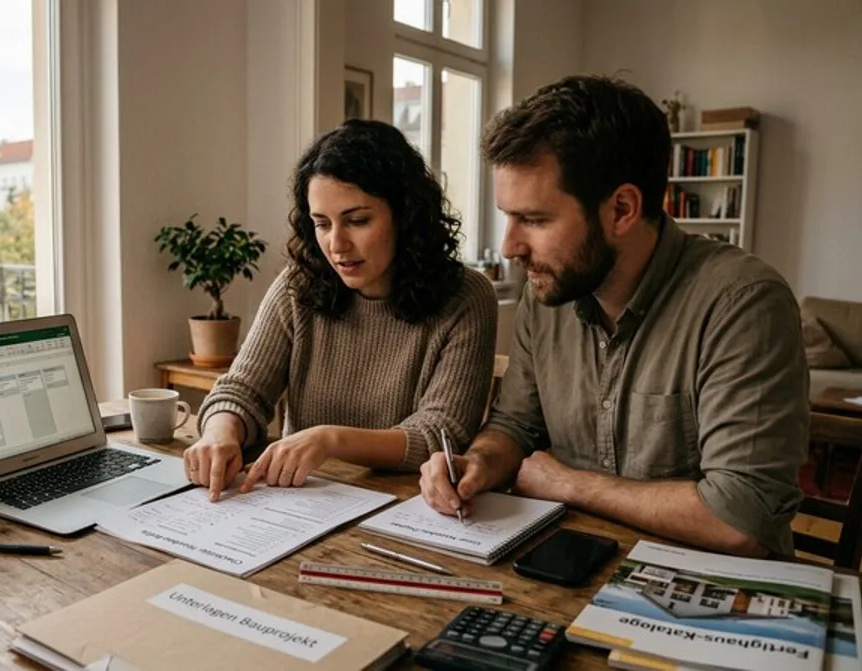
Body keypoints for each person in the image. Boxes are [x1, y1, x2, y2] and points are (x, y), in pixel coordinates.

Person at [419, 75, 808, 558]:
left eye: (535, 220)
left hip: (716, 597)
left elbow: (742, 517)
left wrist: (570, 484)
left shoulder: (743, 304)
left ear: (622, 209)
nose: (510, 246)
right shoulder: (547, 295)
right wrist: (477, 462)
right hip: (580, 567)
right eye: (508, 215)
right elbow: (515, 426)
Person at [185, 119, 498, 501]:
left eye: (358, 220)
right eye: (321, 224)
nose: (336, 245)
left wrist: (330, 439)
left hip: (408, 510)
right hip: (301, 503)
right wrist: (221, 432)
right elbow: (242, 389)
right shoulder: (297, 285)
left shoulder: (466, 297)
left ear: (405, 214)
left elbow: (440, 433)